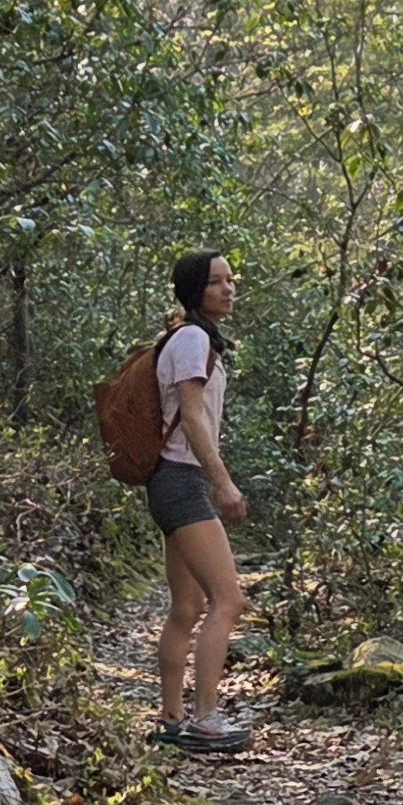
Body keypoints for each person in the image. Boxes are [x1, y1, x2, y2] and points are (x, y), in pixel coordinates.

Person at [146, 250, 252, 754]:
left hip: (171, 481)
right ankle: (206, 719)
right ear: (195, 290)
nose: (228, 289)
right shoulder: (192, 339)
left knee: (186, 607)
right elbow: (192, 418)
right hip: (181, 482)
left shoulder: (189, 337)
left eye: (231, 280)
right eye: (216, 282)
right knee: (228, 600)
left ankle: (171, 720)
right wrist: (223, 483)